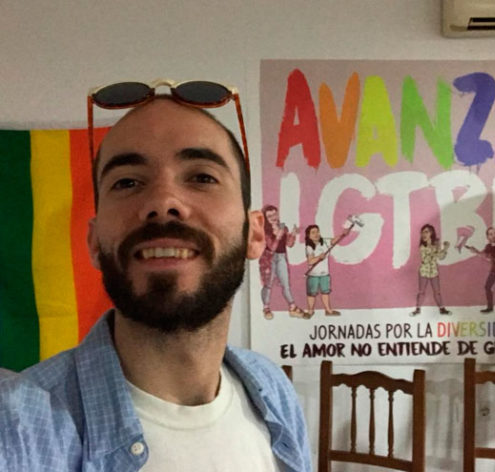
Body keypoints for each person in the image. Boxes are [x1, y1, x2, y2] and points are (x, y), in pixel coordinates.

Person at [0, 93, 312, 471]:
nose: (163, 201)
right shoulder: (16, 428)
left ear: (255, 233)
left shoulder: (273, 390)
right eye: (127, 182)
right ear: (94, 243)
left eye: (202, 177)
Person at [260, 205, 308, 320]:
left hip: (281, 257)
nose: (273, 217)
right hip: (269, 259)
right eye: (270, 216)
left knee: (285, 284)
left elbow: (289, 244)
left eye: (275, 214)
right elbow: (272, 248)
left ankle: (292, 307)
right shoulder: (265, 231)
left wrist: (293, 234)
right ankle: (266, 308)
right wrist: (277, 236)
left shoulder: (283, 227)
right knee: (268, 284)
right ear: (265, 218)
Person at [466, 227, 495, 314]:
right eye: (491, 234)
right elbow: (484, 255)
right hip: (493, 270)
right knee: (487, 287)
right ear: (487, 237)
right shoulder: (488, 246)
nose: (493, 235)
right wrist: (476, 251)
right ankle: (490, 307)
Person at [411, 224, 451, 316]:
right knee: (421, 292)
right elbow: (428, 258)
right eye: (422, 232)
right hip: (424, 271)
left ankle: (442, 309)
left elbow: (441, 257)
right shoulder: (422, 246)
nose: (424, 234)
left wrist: (445, 248)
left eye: (426, 232)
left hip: (434, 271)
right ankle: (417, 309)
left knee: (437, 292)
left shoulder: (435, 245)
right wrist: (438, 248)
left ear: (431, 233)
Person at [304, 224, 343, 317]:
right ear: (308, 235)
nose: (316, 234)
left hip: (325, 274)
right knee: (311, 294)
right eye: (313, 232)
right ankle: (310, 311)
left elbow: (334, 240)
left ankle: (328, 310)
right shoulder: (309, 247)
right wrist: (319, 257)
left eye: (317, 231)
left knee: (325, 293)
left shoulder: (325, 242)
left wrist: (343, 233)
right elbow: (310, 261)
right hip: (313, 275)